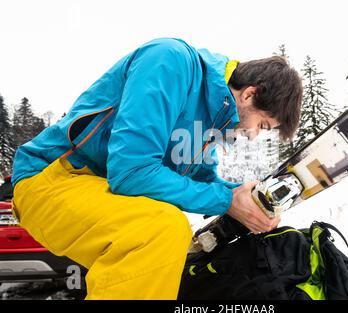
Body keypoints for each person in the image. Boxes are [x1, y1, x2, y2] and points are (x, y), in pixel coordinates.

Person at [11, 38, 303, 299]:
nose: (253, 135)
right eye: (262, 125)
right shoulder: (171, 62)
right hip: (52, 177)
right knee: (162, 230)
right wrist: (227, 201)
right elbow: (131, 172)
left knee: (169, 246)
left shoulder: (215, 122)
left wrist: (244, 199)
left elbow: (201, 180)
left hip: (101, 192)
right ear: (250, 94)